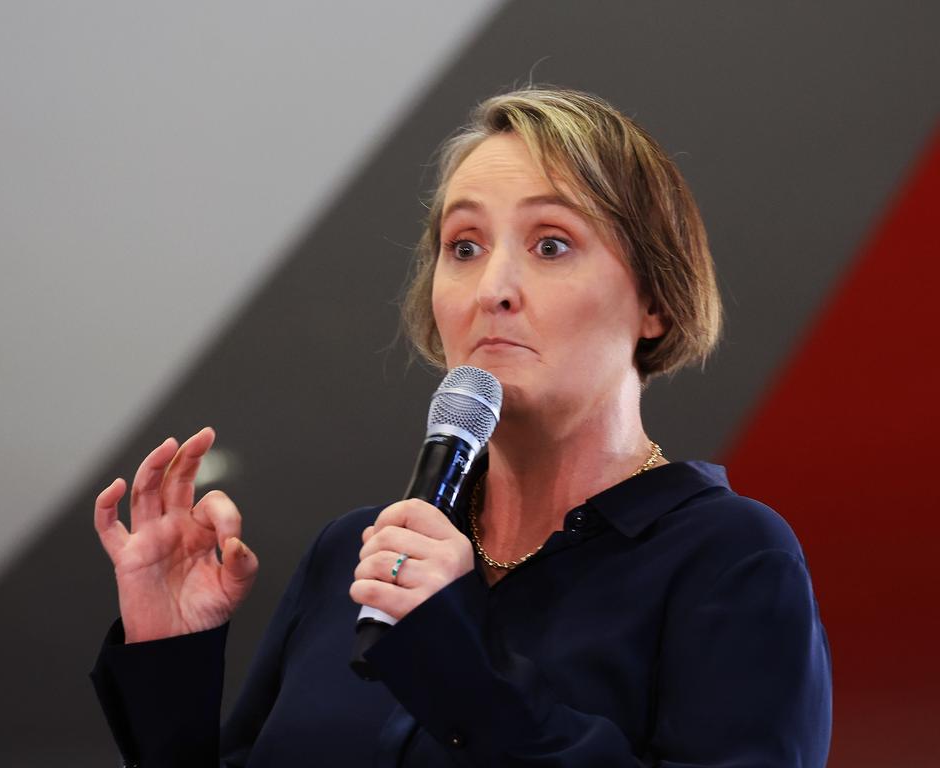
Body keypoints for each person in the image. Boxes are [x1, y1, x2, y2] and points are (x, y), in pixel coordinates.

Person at [90, 87, 832, 767]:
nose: (492, 290)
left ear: (655, 301)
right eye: (464, 247)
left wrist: (453, 659)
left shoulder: (728, 560)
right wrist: (172, 655)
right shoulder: (354, 553)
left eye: (550, 244)